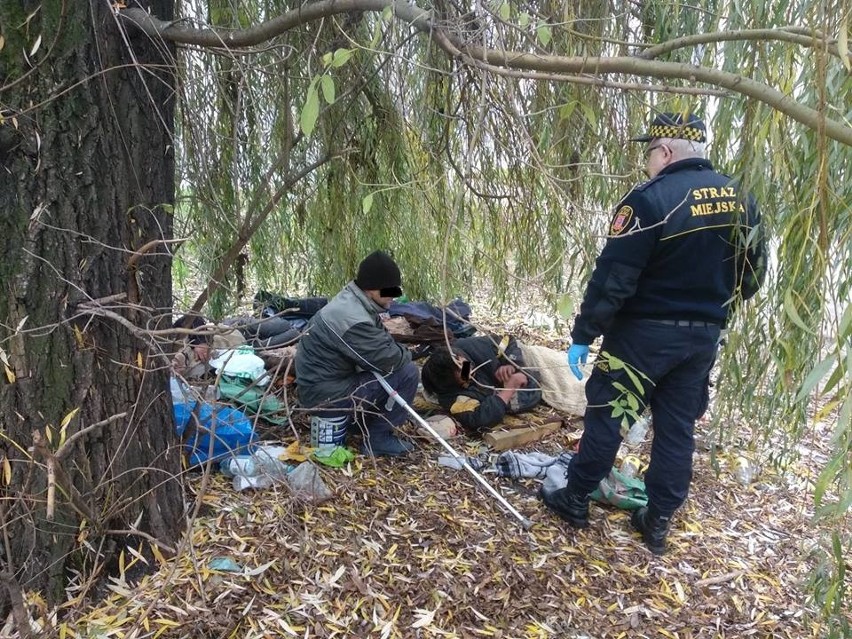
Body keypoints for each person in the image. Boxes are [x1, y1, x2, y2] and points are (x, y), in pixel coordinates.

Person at [542, 112, 765, 555]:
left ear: (664, 152)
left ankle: (576, 498)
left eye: (649, 152)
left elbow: (614, 279)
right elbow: (753, 275)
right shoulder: (744, 200)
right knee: (677, 428)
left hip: (641, 337)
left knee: (609, 415)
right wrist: (713, 312)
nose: (647, 161)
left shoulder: (649, 200)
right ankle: (658, 520)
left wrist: (585, 333)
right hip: (701, 339)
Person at [295, 250, 419, 457]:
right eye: (389, 290)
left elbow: (382, 343)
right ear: (371, 288)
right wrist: (406, 353)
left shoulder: (353, 301)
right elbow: (390, 360)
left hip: (320, 386)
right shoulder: (353, 319)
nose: (394, 296)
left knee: (394, 371)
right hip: (324, 396)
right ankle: (378, 440)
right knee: (408, 373)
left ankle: (357, 423)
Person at [420, 335, 542, 434]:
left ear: (460, 357)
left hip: (526, 362)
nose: (469, 374)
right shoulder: (451, 396)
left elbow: (508, 341)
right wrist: (508, 390)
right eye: (463, 379)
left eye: (465, 367)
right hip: (511, 387)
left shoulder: (472, 346)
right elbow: (479, 419)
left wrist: (510, 363)